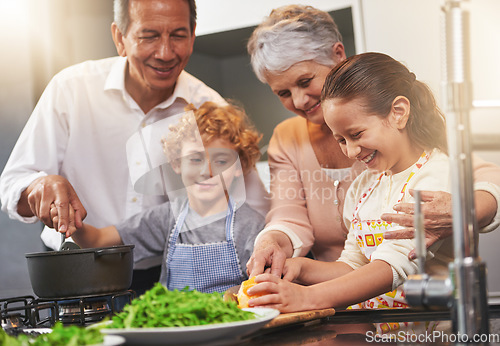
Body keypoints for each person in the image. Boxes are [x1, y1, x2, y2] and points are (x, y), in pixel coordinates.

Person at [0, 0, 269, 290]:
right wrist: (40, 188)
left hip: (158, 280)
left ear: (193, 36)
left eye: (178, 35)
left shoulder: (209, 108)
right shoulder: (71, 89)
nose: (165, 53)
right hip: (76, 269)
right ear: (120, 38)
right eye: (149, 35)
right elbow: (14, 182)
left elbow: (255, 209)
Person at [245, 4, 500, 278]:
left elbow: (484, 175)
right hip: (340, 294)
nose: (298, 100)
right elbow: (288, 214)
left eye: (306, 81)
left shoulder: (411, 120)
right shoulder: (286, 137)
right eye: (283, 92)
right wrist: (270, 242)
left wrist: (463, 210)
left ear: (338, 53)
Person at [247, 53, 455, 335]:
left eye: (356, 134)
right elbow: (352, 265)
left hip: (427, 336)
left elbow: (390, 267)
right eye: (341, 140)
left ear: (398, 112)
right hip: (372, 332)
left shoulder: (435, 175)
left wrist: (306, 298)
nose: (351, 151)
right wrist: (299, 268)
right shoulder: (364, 185)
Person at [51, 101, 265, 293]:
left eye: (221, 161)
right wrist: (71, 219)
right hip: (173, 330)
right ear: (176, 164)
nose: (206, 170)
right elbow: (97, 240)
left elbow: (261, 285)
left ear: (240, 167)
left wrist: (236, 294)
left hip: (232, 327)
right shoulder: (168, 217)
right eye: (195, 159)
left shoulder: (251, 225)